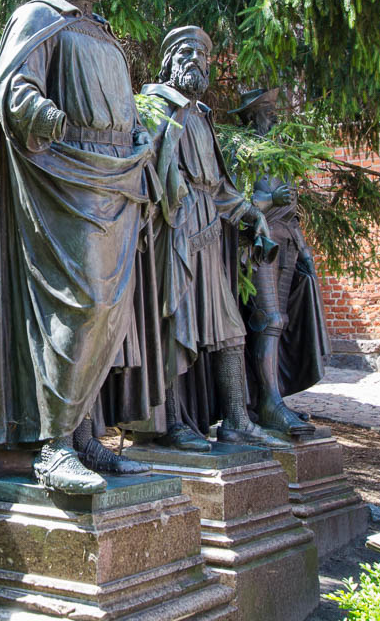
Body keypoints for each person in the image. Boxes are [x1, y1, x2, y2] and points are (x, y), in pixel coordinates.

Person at [0, 0, 164, 494]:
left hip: (115, 181)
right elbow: (12, 88)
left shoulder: (103, 32)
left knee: (110, 311)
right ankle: (51, 446)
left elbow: (122, 105)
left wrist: (137, 140)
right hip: (64, 180)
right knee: (80, 303)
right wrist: (43, 114)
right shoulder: (38, 17)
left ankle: (83, 436)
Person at [141, 27, 287, 450]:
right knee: (175, 324)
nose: (194, 60)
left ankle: (238, 420)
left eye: (202, 55)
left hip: (209, 231)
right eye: (184, 52)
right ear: (168, 62)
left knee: (229, 329)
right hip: (174, 231)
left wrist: (248, 213)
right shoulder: (155, 109)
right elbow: (142, 168)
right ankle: (172, 423)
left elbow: (220, 187)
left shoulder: (202, 116)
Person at [231, 88, 326, 437]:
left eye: (273, 110)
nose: (274, 116)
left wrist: (304, 250)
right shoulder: (241, 153)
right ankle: (268, 403)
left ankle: (270, 399)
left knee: (281, 320)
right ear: (252, 115)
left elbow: (294, 212)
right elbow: (235, 202)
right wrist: (269, 198)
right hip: (258, 244)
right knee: (267, 318)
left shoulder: (280, 156)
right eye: (268, 111)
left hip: (286, 240)